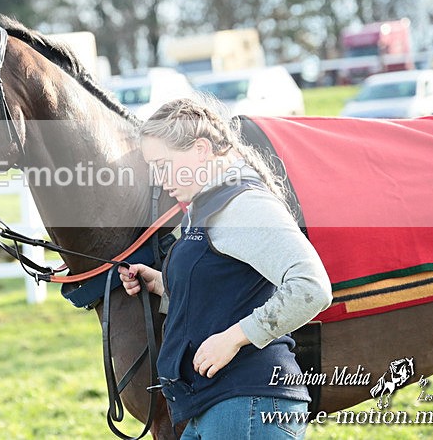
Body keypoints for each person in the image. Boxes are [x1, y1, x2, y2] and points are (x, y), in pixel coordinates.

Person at [118, 96, 333, 439]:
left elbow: (312, 287)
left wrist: (234, 338)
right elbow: (226, 291)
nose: (159, 178)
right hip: (218, 405)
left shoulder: (243, 205)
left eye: (163, 164)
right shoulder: (205, 206)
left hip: (249, 405)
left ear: (201, 150)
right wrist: (161, 284)